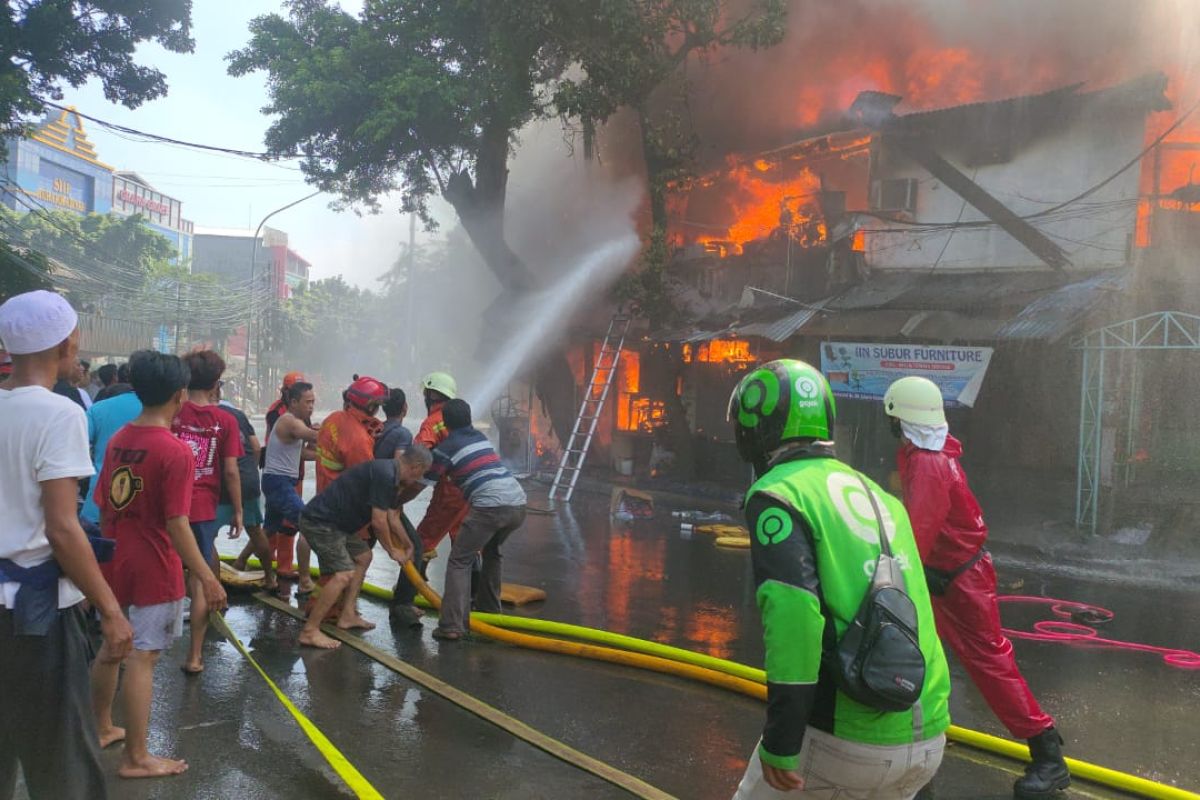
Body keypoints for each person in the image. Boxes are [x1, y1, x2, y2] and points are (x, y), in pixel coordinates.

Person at [727, 360, 951, 800]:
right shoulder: (882, 498)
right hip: (927, 739)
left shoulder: (779, 495)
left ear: (754, 427)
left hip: (843, 742)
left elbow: (796, 619)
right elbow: (918, 616)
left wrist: (782, 741)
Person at [883, 376, 1070, 799]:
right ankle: (916, 762)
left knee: (988, 664)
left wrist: (889, 573)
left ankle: (1048, 757)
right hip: (948, 576)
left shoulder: (929, 464)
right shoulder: (929, 453)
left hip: (957, 583)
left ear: (899, 419)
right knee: (917, 660)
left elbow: (917, 536)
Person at [0, 290, 133, 800]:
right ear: (66, 343)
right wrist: (110, 609)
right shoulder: (58, 415)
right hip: (35, 619)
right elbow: (61, 527)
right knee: (62, 760)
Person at [89, 351, 228, 779]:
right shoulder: (175, 451)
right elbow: (178, 524)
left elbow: (106, 501)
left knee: (112, 649)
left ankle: (101, 727)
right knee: (143, 658)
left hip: (114, 560)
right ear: (180, 395)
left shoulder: (119, 440)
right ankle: (137, 756)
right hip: (154, 567)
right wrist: (207, 577)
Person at [297, 446, 432, 648]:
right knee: (343, 574)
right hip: (320, 522)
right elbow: (378, 522)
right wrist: (392, 550)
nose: (419, 480)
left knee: (364, 556)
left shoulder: (392, 475)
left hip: (337, 525)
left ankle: (347, 615)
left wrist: (408, 544)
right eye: (422, 474)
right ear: (416, 467)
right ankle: (309, 631)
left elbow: (391, 516)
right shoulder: (386, 475)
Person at [429, 399, 527, 642]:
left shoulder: (447, 446)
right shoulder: (481, 439)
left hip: (490, 507)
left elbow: (427, 479)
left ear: (446, 422)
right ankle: (490, 611)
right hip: (518, 503)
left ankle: (452, 625)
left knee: (460, 561)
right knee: (492, 551)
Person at [172, 350, 243, 675]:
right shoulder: (225, 419)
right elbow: (230, 471)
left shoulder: (174, 411)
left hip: (168, 504)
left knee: (164, 568)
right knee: (201, 578)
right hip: (201, 509)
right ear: (217, 382)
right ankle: (195, 656)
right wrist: (238, 510)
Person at [261, 382, 319, 594]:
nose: (311, 407)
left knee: (268, 530)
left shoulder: (296, 423)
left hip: (277, 481)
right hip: (279, 482)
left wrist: (324, 455)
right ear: (293, 402)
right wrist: (331, 432)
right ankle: (304, 581)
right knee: (308, 524)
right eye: (308, 402)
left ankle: (241, 562)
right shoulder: (289, 421)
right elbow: (314, 437)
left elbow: (302, 453)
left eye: (313, 402)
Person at [216, 393, 274, 594]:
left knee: (207, 536)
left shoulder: (205, 413)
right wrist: (249, 469)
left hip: (220, 482)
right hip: (248, 480)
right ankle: (270, 578)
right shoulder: (239, 414)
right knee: (255, 530)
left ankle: (212, 586)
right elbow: (256, 447)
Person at [412, 372, 469, 556]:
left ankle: (409, 585)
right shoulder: (458, 416)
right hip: (470, 487)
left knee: (422, 540)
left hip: (449, 492)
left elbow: (419, 453)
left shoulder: (432, 421)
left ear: (432, 395)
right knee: (464, 543)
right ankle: (472, 584)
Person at [81, 375, 144, 525]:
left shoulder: (97, 410)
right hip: (141, 508)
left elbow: (75, 446)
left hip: (97, 505)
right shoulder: (161, 410)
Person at [375, 387, 414, 459]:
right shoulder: (403, 435)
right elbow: (400, 466)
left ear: (384, 409)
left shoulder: (376, 429)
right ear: (405, 407)